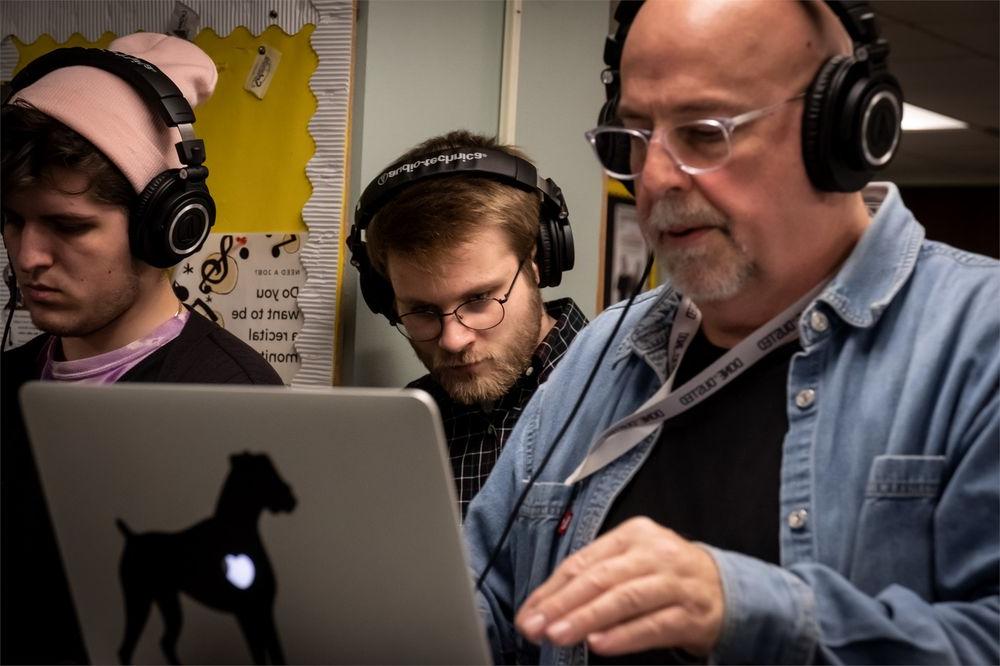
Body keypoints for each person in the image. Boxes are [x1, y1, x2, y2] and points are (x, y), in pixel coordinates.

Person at [465, 1, 999, 664]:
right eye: (635, 135)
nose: (653, 179)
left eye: (703, 133)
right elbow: (486, 596)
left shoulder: (980, 343)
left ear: (839, 130)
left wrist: (748, 611)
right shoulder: (604, 353)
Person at [1, 33, 282, 664]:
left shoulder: (235, 400)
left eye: (68, 226)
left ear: (167, 229)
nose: (27, 256)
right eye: (14, 220)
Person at [349, 131, 588, 518]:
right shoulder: (404, 428)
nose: (453, 340)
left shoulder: (626, 393)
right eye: (422, 311)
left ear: (538, 262)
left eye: (478, 300)